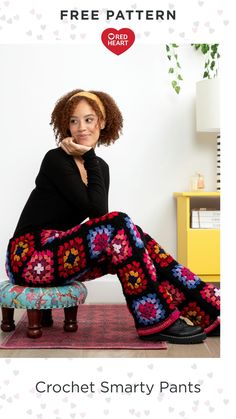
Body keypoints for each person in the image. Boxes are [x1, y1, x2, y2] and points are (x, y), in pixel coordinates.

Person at [5, 89, 220, 344]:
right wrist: (88, 154)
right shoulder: (56, 159)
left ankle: (210, 311)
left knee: (134, 237)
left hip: (61, 253)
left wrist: (90, 158)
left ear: (102, 122)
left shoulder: (99, 167)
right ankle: (155, 318)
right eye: (73, 121)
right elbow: (98, 216)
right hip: (29, 255)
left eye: (88, 119)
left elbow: (99, 216)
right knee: (119, 224)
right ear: (66, 125)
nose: (81, 128)